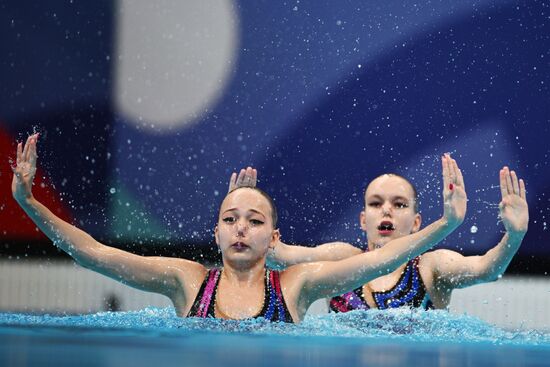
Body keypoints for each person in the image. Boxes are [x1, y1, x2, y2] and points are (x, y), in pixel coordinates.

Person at [12, 133, 466, 322]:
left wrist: (446, 224)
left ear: (273, 239)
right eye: (230, 220)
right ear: (216, 233)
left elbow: (380, 258)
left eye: (254, 221)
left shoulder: (295, 285)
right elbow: (97, 254)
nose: (240, 229)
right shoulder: (186, 281)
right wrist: (29, 204)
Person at [260, 160, 528, 311]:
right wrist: (251, 215)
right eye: (376, 204)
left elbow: (486, 269)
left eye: (399, 204)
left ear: (416, 222)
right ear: (363, 220)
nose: (386, 210)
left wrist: (514, 236)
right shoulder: (341, 258)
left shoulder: (431, 267)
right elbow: (279, 256)